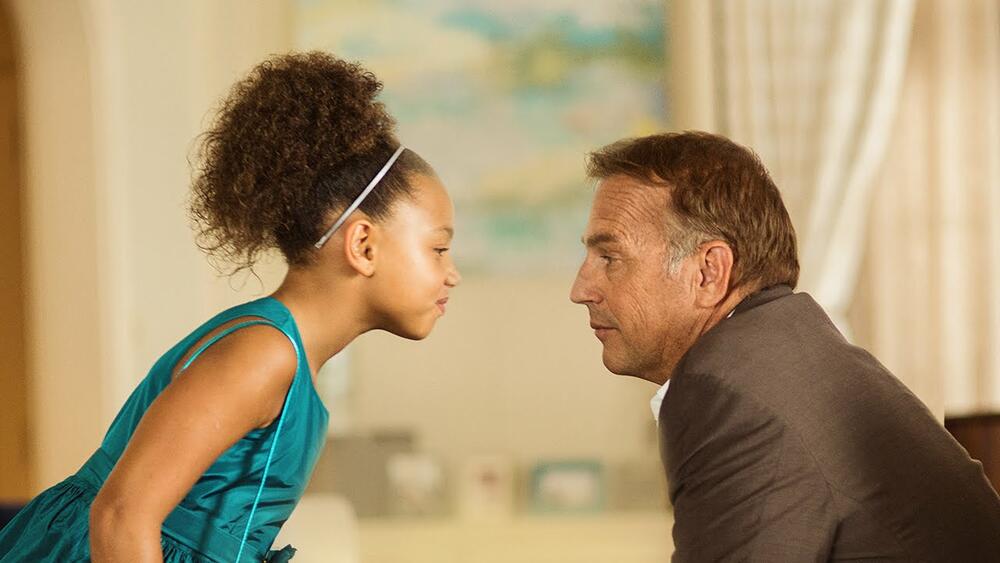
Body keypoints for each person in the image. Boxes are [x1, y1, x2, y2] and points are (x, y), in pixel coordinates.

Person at [0, 51, 460, 562]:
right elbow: (120, 517)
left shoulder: (287, 360)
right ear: (363, 246)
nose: (452, 273)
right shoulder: (263, 354)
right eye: (439, 248)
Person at [570, 131, 1000, 561]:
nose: (581, 290)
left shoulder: (730, 392)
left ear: (708, 272)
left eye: (609, 258)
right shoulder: (784, 351)